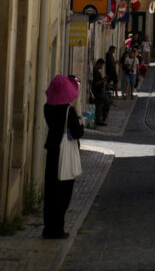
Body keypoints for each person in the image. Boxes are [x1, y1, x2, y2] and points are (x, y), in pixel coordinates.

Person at [42, 74, 84, 239]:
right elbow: (77, 132)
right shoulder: (69, 111)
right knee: (63, 193)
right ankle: (57, 229)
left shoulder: (47, 108)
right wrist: (81, 126)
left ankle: (48, 228)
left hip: (52, 152)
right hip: (64, 155)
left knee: (50, 192)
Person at [91, 59, 111, 126]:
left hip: (98, 91)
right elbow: (95, 83)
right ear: (99, 64)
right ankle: (104, 115)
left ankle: (98, 120)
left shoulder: (96, 71)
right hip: (98, 92)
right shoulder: (95, 72)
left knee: (98, 106)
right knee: (107, 102)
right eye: (102, 65)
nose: (102, 67)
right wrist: (103, 80)